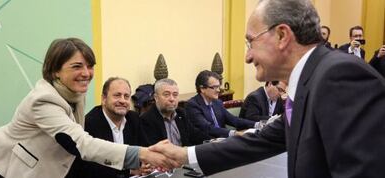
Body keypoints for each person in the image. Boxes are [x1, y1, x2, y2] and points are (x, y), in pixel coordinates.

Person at [149, 0, 385, 177]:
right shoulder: (310, 82)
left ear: (282, 35)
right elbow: (260, 141)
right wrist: (184, 155)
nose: (247, 56)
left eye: (250, 41)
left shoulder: (339, 76)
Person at [0, 38, 177, 178]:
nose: (86, 73)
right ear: (55, 70)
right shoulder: (43, 100)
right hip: (4, 168)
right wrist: (142, 154)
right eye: (77, 66)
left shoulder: (75, 93)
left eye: (90, 66)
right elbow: (81, 144)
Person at [80, 77, 152, 178]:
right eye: (117, 95)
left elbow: (145, 147)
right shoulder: (90, 123)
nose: (123, 100)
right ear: (104, 99)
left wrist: (146, 163)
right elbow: (92, 168)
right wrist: (130, 171)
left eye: (126, 96)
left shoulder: (133, 118)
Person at [186, 70, 256, 138]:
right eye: (214, 87)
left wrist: (256, 124)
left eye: (218, 86)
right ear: (202, 89)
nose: (218, 90)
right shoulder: (193, 105)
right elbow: (208, 128)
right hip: (205, 145)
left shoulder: (217, 102)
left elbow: (233, 120)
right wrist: (234, 133)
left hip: (222, 142)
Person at [141, 78, 211, 146]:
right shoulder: (147, 120)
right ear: (156, 97)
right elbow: (155, 151)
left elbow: (195, 135)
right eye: (166, 94)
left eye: (175, 95)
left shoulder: (181, 114)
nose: (172, 99)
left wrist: (214, 142)